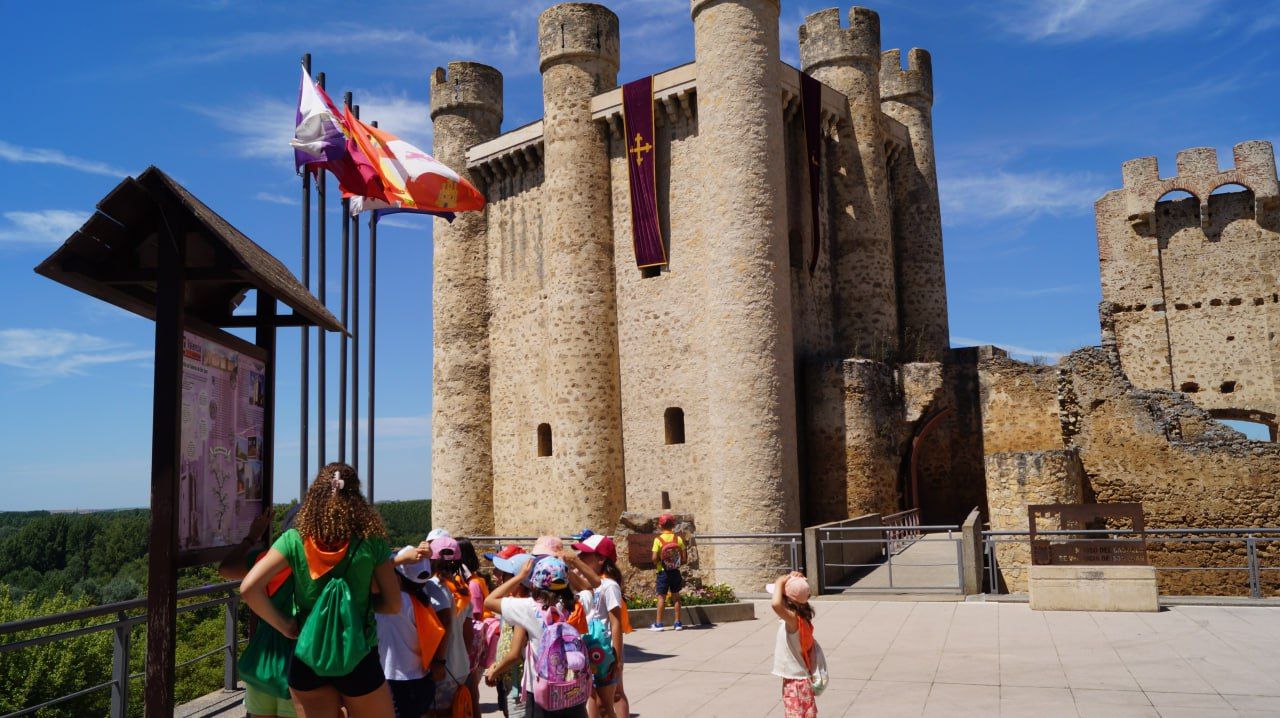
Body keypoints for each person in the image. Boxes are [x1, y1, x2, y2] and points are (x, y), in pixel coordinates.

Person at [241, 463, 400, 718]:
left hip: (308, 656)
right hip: (358, 655)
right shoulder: (371, 541)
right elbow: (393, 605)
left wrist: (285, 625)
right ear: (356, 497)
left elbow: (249, 588)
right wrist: (364, 606)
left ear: (314, 496)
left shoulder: (293, 539)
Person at [485, 539, 602, 718]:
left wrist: (519, 576)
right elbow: (589, 589)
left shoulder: (530, 608)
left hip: (542, 690)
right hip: (573, 688)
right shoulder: (576, 605)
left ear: (534, 582)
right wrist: (566, 569)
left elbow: (489, 601)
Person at [219, 510, 294, 718]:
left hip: (264, 658)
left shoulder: (266, 560)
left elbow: (226, 569)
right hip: (300, 660)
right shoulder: (319, 565)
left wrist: (251, 537)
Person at [377, 547, 453, 718]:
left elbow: (374, 575)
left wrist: (399, 560)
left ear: (397, 576)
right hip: (420, 677)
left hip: (394, 679)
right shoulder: (422, 601)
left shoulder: (395, 602)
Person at [570, 533, 629, 718]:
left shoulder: (609, 585)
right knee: (591, 699)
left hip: (604, 651)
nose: (580, 558)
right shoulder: (585, 583)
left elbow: (616, 622)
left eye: (585, 555)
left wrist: (618, 658)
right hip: (588, 646)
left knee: (607, 703)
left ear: (601, 559)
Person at [483, 546, 533, 718]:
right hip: (510, 679)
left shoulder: (521, 607)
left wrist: (495, 671)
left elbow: (514, 654)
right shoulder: (514, 603)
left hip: (518, 685)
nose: (497, 577)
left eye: (502, 573)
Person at [426, 535, 474, 716]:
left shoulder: (433, 586)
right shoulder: (462, 587)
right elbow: (468, 634)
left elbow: (443, 623)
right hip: (460, 665)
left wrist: (438, 662)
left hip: (442, 666)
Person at [770, 572, 817, 718]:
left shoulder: (793, 621)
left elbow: (775, 604)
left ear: (787, 601)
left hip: (795, 684)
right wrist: (794, 579)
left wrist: (779, 582)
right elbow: (799, 593)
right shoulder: (801, 618)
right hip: (802, 681)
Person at [459, 538, 491, 718]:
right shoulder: (473, 580)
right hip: (473, 642)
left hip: (473, 643)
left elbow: (475, 618)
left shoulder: (473, 584)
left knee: (471, 691)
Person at [649, 514, 688, 631]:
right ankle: (677, 623)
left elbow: (654, 557)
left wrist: (658, 563)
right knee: (676, 597)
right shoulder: (678, 539)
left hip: (663, 572)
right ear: (673, 525)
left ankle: (659, 624)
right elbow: (684, 558)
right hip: (675, 571)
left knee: (661, 598)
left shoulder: (658, 540)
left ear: (660, 525)